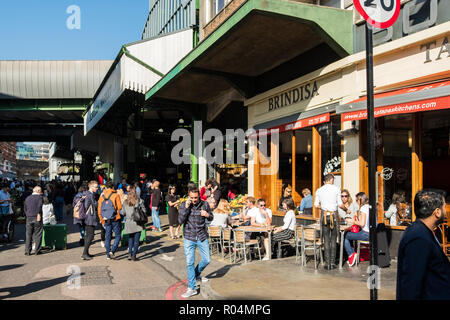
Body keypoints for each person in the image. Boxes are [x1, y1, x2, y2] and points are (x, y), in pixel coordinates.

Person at [396, 189, 450, 299]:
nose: (446, 210)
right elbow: (411, 285)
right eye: (444, 206)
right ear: (437, 212)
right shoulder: (418, 238)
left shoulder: (422, 231)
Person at [178, 188, 214, 298]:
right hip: (189, 237)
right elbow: (180, 221)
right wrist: (187, 208)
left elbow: (211, 217)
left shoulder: (205, 204)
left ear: (199, 197)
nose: (194, 200)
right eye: (192, 197)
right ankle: (192, 288)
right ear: (189, 196)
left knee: (207, 259)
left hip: (201, 236)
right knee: (189, 262)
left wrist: (207, 215)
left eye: (196, 198)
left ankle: (196, 274)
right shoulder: (185, 204)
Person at [314, 173, 347, 270]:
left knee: (326, 240)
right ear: (331, 180)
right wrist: (346, 210)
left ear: (325, 180)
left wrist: (324, 207)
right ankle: (332, 263)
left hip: (324, 215)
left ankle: (327, 263)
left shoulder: (319, 190)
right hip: (334, 215)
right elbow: (340, 204)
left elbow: (316, 205)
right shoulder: (336, 189)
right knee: (333, 239)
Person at [343, 192, 371, 267]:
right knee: (350, 234)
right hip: (371, 233)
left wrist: (352, 221)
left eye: (356, 200)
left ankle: (351, 255)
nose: (356, 202)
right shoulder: (370, 207)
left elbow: (362, 224)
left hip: (365, 234)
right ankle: (353, 254)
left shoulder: (363, 208)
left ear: (360, 200)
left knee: (345, 235)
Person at [97, 181, 123, 260]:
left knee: (108, 236)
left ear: (105, 187)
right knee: (118, 235)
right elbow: (119, 207)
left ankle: (108, 254)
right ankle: (113, 250)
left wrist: (101, 219)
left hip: (106, 219)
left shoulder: (102, 196)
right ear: (113, 187)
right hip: (115, 218)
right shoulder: (116, 195)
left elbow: (99, 209)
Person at [123, 186, 146, 261]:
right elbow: (144, 211)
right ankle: (134, 255)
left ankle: (129, 253)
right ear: (135, 193)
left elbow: (123, 212)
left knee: (130, 238)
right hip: (137, 222)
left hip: (129, 222)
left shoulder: (125, 202)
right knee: (136, 240)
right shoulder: (139, 201)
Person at [81, 181, 99, 260]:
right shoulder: (89, 195)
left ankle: (86, 252)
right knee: (90, 236)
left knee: (89, 235)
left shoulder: (87, 194)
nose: (97, 188)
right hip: (89, 218)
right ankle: (84, 253)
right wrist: (99, 200)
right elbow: (91, 205)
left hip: (88, 217)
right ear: (91, 187)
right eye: (96, 187)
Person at [24, 186, 43, 255]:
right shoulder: (40, 197)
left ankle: (27, 251)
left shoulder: (28, 198)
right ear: (38, 191)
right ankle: (37, 250)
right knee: (38, 234)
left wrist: (27, 215)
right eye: (40, 191)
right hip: (37, 217)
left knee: (28, 234)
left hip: (29, 217)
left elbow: (25, 208)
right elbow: (39, 206)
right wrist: (38, 214)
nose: (41, 192)